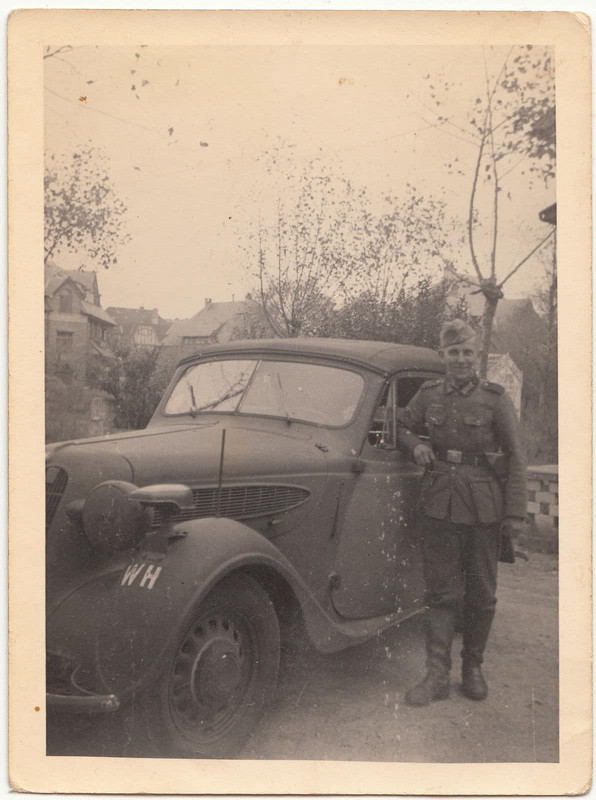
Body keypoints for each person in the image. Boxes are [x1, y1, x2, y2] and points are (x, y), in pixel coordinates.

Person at [396, 319, 526, 706]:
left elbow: (517, 457)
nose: (461, 360)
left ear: (477, 355)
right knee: (440, 591)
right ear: (444, 356)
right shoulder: (430, 394)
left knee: (482, 593)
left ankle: (473, 668)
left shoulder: (494, 399)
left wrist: (515, 513)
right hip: (440, 502)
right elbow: (401, 424)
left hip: (485, 507)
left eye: (467, 352)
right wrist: (412, 446)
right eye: (453, 353)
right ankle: (436, 675)